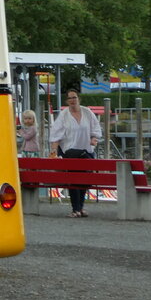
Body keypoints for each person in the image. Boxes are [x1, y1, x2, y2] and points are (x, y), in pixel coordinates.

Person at [49, 89, 100, 217]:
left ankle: (80, 208)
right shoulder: (63, 115)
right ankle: (75, 209)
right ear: (67, 101)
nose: (72, 100)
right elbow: (56, 135)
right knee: (73, 181)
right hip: (70, 151)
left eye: (74, 97)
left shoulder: (87, 112)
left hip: (87, 151)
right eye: (69, 98)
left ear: (79, 99)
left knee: (84, 181)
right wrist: (54, 150)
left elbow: (96, 130)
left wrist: (94, 139)